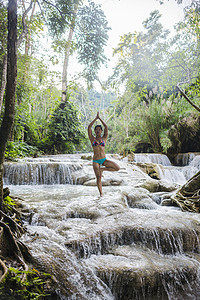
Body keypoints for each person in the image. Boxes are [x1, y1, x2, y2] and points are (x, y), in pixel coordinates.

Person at [88, 112, 120, 197]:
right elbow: (89, 127)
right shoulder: (92, 139)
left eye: (99, 130)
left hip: (104, 159)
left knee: (117, 167)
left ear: (101, 131)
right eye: (96, 130)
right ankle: (101, 194)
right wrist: (95, 118)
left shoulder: (104, 138)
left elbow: (106, 127)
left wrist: (100, 118)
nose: (98, 131)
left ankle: (103, 169)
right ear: (95, 131)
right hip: (96, 161)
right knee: (98, 177)